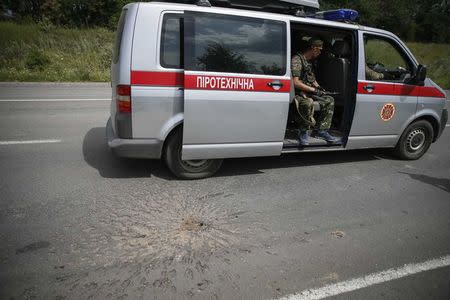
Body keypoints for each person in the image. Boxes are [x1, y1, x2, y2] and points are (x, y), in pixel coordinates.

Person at [291, 37, 339, 146]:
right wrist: (314, 90)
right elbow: (296, 83)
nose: (321, 52)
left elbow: (312, 79)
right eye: (320, 49)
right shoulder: (297, 60)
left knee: (329, 100)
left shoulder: (309, 63)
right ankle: (303, 131)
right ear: (313, 48)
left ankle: (321, 130)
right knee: (308, 102)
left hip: (309, 92)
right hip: (299, 94)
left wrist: (321, 90)